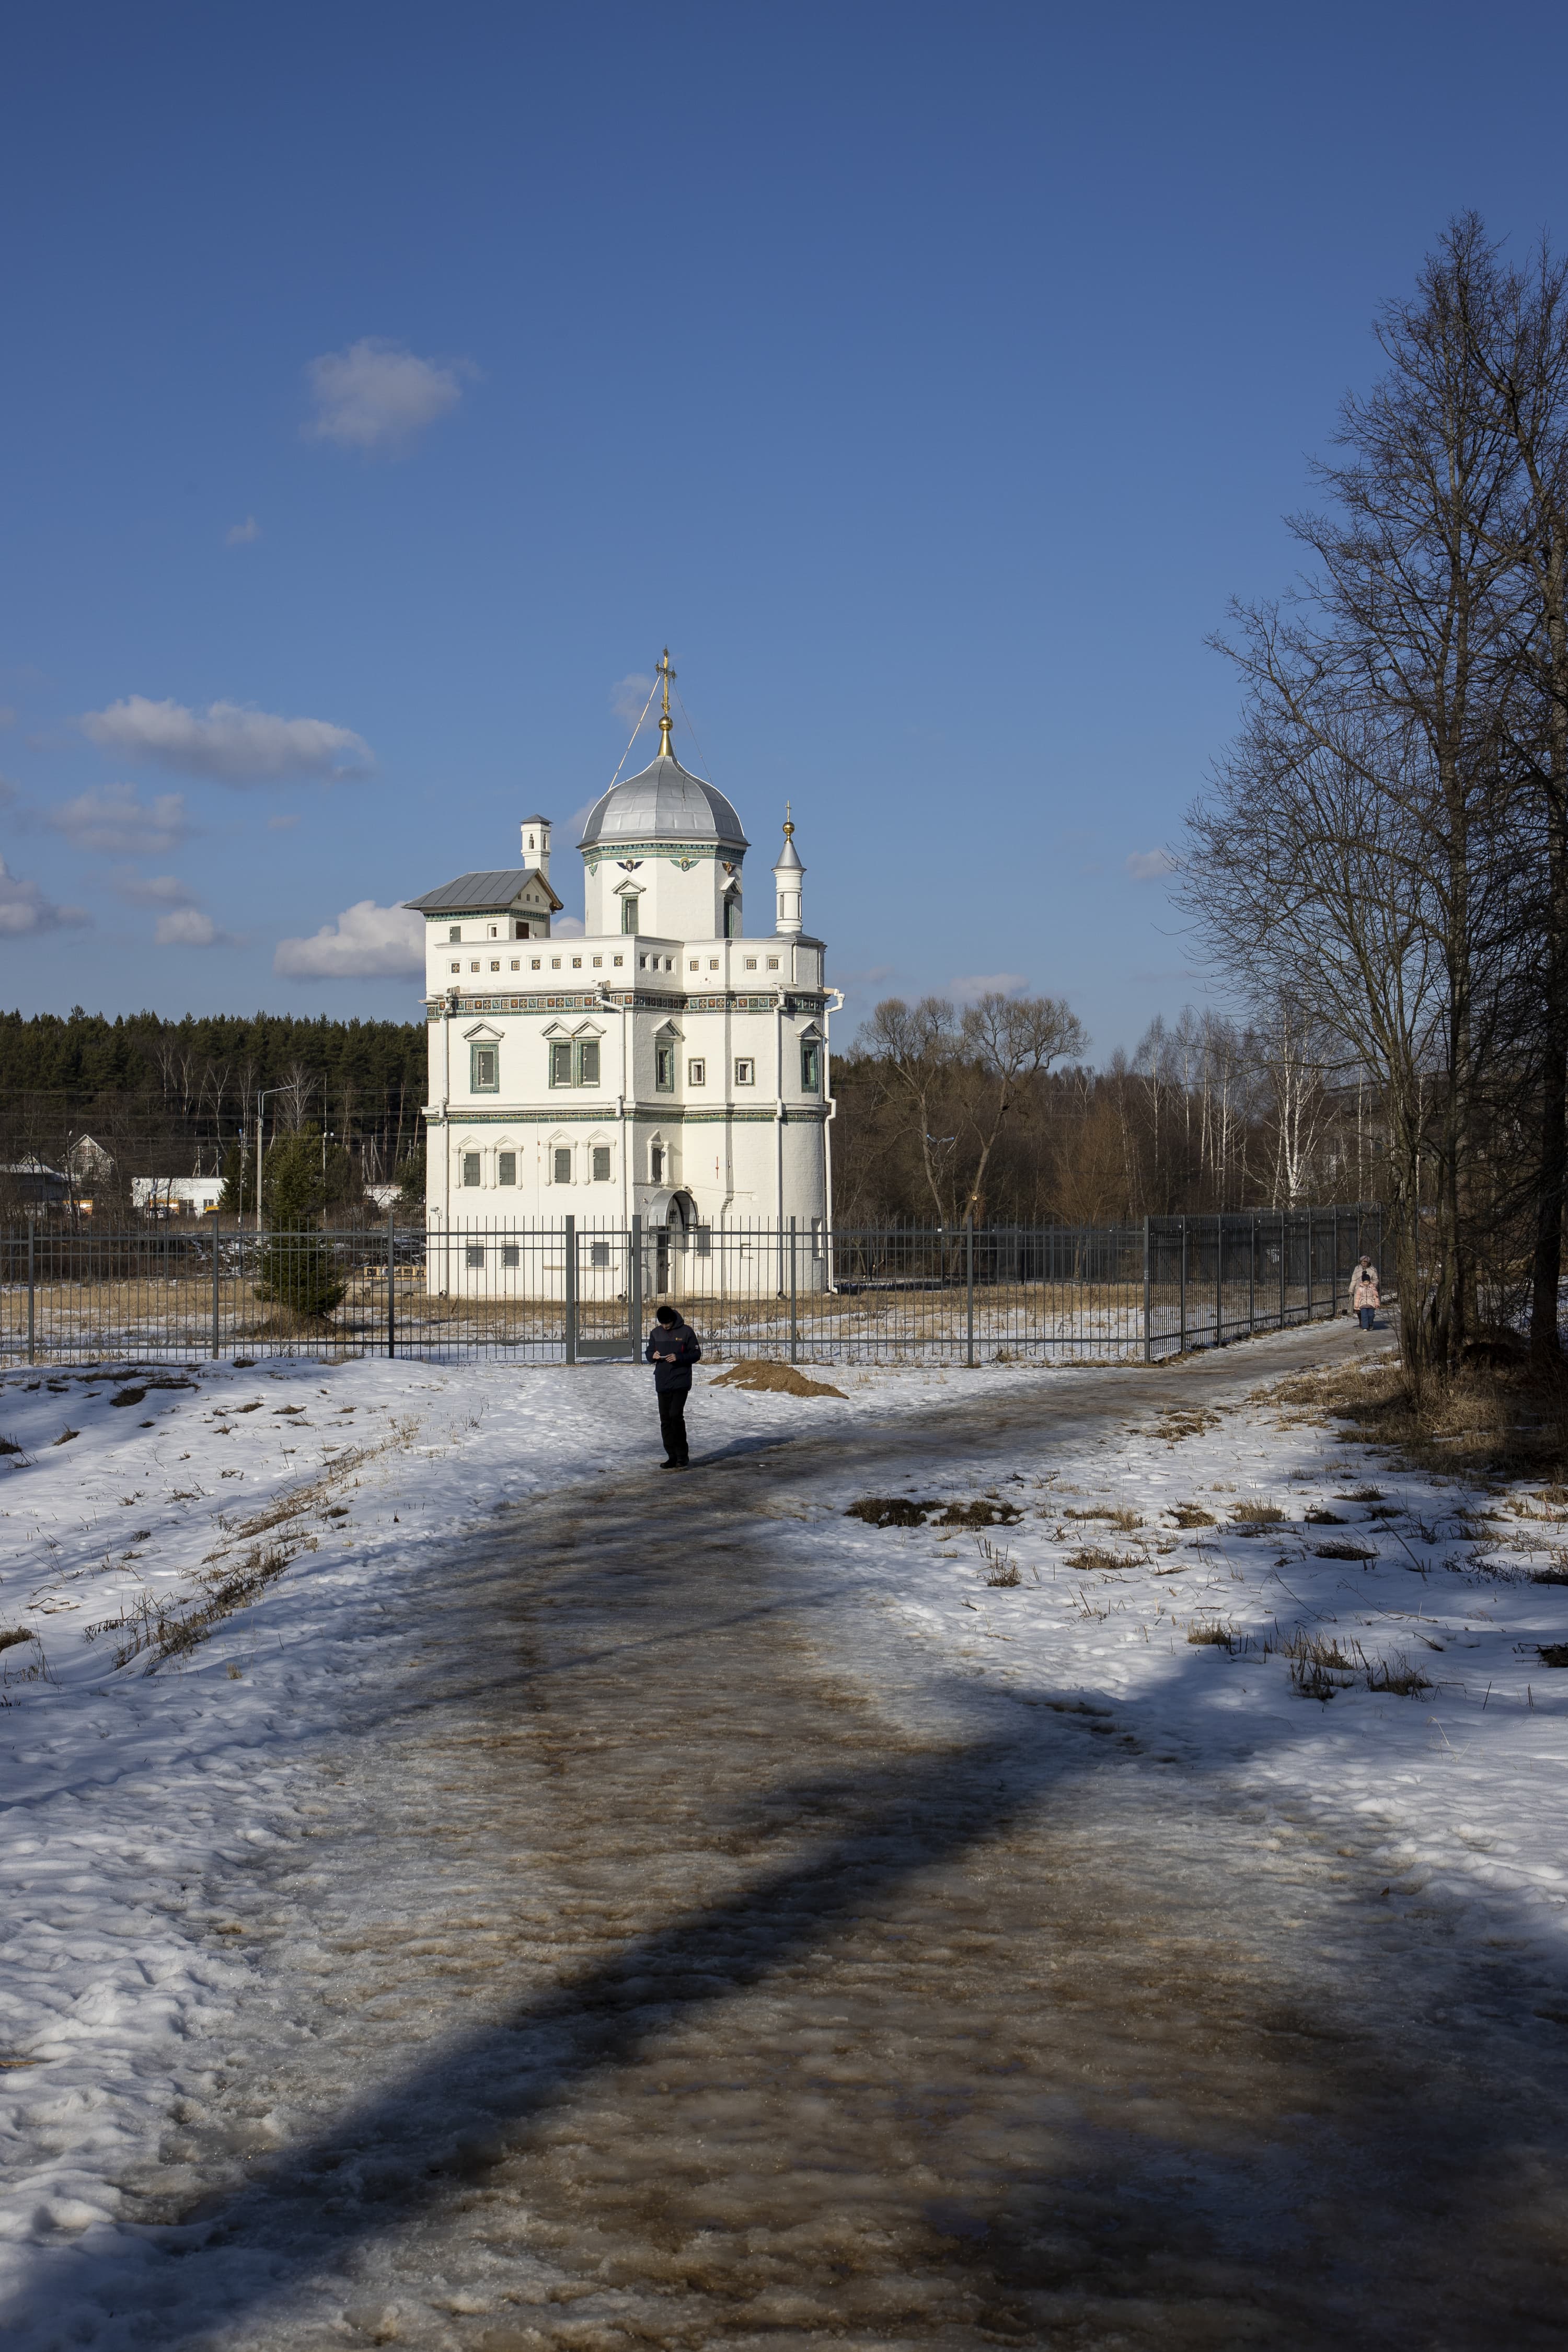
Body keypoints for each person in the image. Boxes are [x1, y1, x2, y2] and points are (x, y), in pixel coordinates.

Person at [645, 1302, 702, 1468]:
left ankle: (682, 1455)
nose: (665, 1326)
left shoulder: (686, 1332)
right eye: (662, 1323)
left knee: (675, 1415)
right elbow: (649, 1352)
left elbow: (696, 1354)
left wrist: (679, 1357)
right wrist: (653, 1355)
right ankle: (671, 1456)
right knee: (665, 1419)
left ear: (673, 1319)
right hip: (663, 1381)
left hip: (680, 1380)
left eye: (667, 1323)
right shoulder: (655, 1333)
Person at [1349, 1256, 1381, 1331]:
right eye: (1363, 1262)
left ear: (1368, 1262)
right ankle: (1362, 1321)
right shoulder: (1357, 1269)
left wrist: (1371, 1286)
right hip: (1359, 1290)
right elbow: (1354, 1279)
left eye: (1366, 1262)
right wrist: (1351, 1289)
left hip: (1369, 1291)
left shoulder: (1373, 1270)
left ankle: (1369, 1323)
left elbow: (1376, 1280)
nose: (1364, 1263)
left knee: (1370, 1310)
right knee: (1359, 1308)